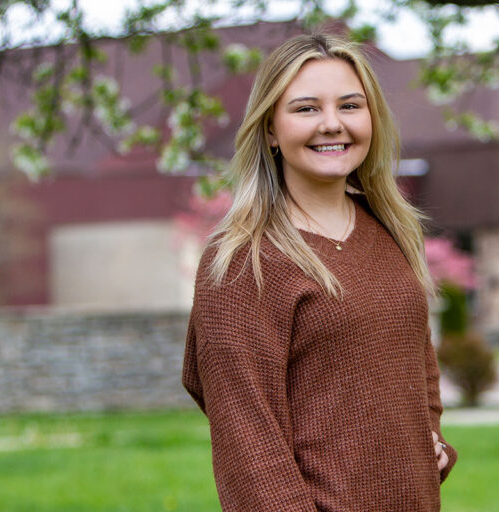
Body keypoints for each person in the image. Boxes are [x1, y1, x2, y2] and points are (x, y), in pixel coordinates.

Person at [181, 33, 458, 511]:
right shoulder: (245, 259)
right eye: (306, 109)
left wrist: (429, 440)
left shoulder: (389, 231)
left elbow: (417, 365)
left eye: (350, 105)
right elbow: (247, 438)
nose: (332, 124)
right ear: (269, 129)